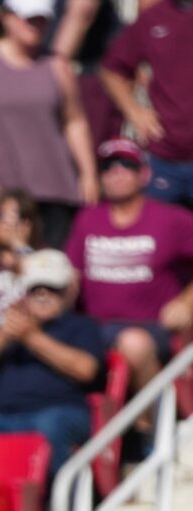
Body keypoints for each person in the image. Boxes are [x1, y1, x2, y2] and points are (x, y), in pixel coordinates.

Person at [0, 0, 98, 252]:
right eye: (29, 18)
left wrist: (88, 174)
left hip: (54, 189)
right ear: (8, 18)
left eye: (42, 19)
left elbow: (75, 122)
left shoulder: (57, 66)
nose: (35, 26)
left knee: (53, 267)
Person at [0, 246, 104, 474]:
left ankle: (54, 506)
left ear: (67, 291)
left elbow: (86, 369)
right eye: (35, 289)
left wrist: (31, 337)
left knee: (50, 427)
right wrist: (1, 338)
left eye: (52, 289)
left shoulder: (81, 326)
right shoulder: (9, 332)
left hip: (61, 412)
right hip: (5, 419)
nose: (43, 295)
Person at [71, 139, 193, 399]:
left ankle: (148, 429)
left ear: (144, 174)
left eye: (126, 165)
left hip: (153, 327)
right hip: (95, 327)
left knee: (133, 343)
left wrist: (187, 301)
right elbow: (71, 275)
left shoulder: (171, 218)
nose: (116, 173)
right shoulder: (87, 219)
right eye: (108, 167)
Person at [102, 0, 193, 211]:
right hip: (165, 158)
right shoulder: (154, 17)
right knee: (158, 242)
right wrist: (134, 111)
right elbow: (112, 69)